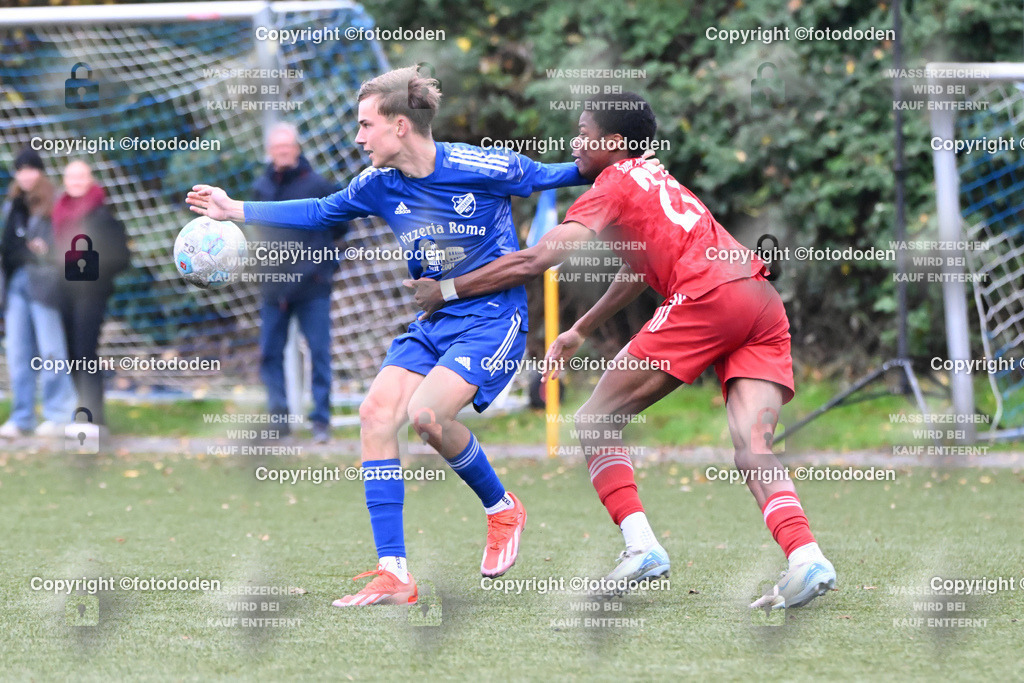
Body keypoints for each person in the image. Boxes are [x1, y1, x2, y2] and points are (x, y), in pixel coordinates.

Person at [408, 92, 836, 610]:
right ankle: (806, 557)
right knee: (753, 446)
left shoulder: (612, 182)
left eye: (584, 132)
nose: (575, 142)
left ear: (614, 142)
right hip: (759, 298)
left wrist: (448, 291)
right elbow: (639, 265)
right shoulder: (650, 176)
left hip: (708, 296)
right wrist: (580, 330)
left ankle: (642, 546)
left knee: (594, 421)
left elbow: (537, 258)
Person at [187, 65, 590, 607]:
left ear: (400, 126)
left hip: (493, 316)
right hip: (435, 322)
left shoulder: (479, 164)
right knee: (376, 414)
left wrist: (632, 165)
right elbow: (320, 211)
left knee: (426, 417)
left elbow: (561, 174)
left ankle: (501, 509)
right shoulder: (379, 185)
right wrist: (235, 208)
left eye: (365, 125)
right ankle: (394, 573)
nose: (358, 137)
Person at [251, 122, 340, 444]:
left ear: (297, 148)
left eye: (287, 146)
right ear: (270, 151)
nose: (282, 151)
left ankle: (321, 421)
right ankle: (279, 422)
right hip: (274, 289)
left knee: (318, 352)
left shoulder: (318, 185)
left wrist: (318, 264)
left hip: (312, 287)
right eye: (277, 147)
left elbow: (340, 226)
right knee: (269, 354)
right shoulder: (261, 187)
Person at [0, 148, 77, 438]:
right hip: (16, 284)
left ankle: (59, 414)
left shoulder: (54, 202)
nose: (26, 174)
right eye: (20, 169)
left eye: (31, 168)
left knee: (51, 351)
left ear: (40, 171)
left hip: (44, 285)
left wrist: (48, 253)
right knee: (18, 353)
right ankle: (22, 418)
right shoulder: (11, 205)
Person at [53, 160, 130, 429]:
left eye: (80, 176)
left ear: (90, 179)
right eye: (70, 176)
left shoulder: (102, 215)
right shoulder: (59, 212)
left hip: (92, 293)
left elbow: (122, 257)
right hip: (66, 293)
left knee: (86, 353)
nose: (75, 181)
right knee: (73, 355)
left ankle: (94, 419)